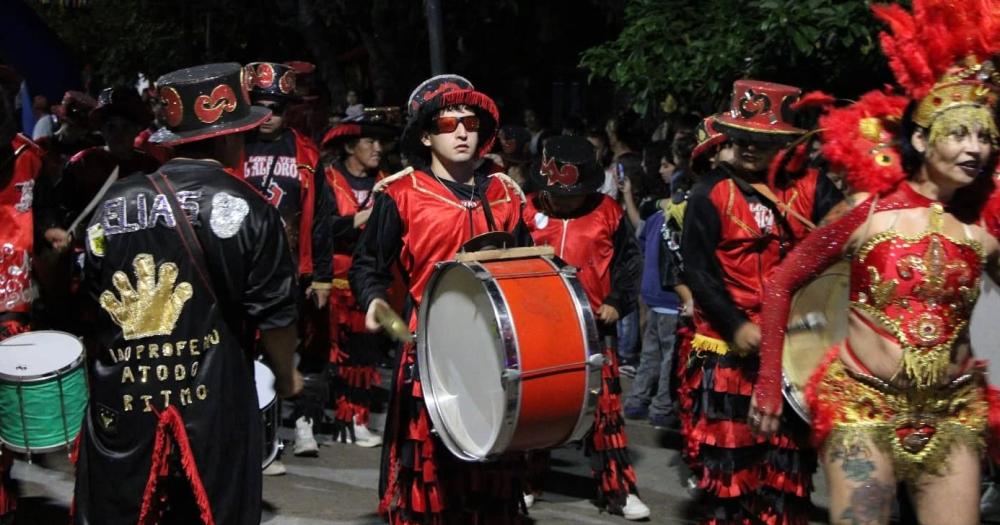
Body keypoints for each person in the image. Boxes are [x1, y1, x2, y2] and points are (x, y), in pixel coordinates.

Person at [751, 1, 1000, 523]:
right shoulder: (864, 216)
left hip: (954, 410)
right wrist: (770, 382)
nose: (974, 147)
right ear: (919, 139)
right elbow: (781, 283)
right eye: (959, 132)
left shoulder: (984, 233)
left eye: (985, 136)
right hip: (862, 406)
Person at [74, 62, 303, 524]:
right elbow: (275, 315)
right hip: (213, 400)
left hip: (124, 397)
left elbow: (88, 304)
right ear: (229, 137)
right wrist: (287, 374)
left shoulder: (112, 204)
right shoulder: (252, 209)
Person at [350, 74, 529, 524]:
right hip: (428, 352)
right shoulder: (400, 194)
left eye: (470, 123)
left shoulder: (506, 192)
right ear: (426, 136)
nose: (463, 132)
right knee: (432, 478)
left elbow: (528, 266)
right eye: (448, 124)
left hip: (496, 350)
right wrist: (374, 300)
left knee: (494, 475)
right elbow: (367, 265)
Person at [681, 80, 842, 524]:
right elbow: (698, 271)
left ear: (786, 142)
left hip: (797, 347)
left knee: (789, 468)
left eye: (763, 140)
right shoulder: (708, 193)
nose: (750, 148)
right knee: (731, 466)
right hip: (731, 347)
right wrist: (735, 325)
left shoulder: (814, 186)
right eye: (743, 138)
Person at [521, 135, 649, 520]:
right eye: (556, 194)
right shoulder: (523, 212)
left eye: (572, 194)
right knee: (537, 410)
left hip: (594, 328)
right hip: (539, 330)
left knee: (605, 412)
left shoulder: (608, 212)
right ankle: (526, 482)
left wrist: (616, 303)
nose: (563, 201)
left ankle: (618, 489)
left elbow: (629, 264)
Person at [244, 61, 334, 462]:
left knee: (296, 351)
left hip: (290, 272)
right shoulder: (233, 147)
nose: (268, 117)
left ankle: (302, 424)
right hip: (242, 270)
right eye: (261, 107)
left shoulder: (307, 153)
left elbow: (321, 219)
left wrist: (324, 275)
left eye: (277, 109)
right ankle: (258, 436)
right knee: (248, 353)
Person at [318, 109, 400, 447]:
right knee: (330, 354)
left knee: (366, 354)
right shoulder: (328, 179)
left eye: (382, 142)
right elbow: (321, 228)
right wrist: (364, 217)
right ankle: (337, 417)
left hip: (370, 284)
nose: (378, 148)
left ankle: (358, 418)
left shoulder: (390, 182)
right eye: (370, 141)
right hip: (334, 281)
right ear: (351, 147)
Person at [0, 64, 45, 525]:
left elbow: (50, 219)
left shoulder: (30, 158)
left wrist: (53, 239)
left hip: (14, 308)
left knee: (7, 424)